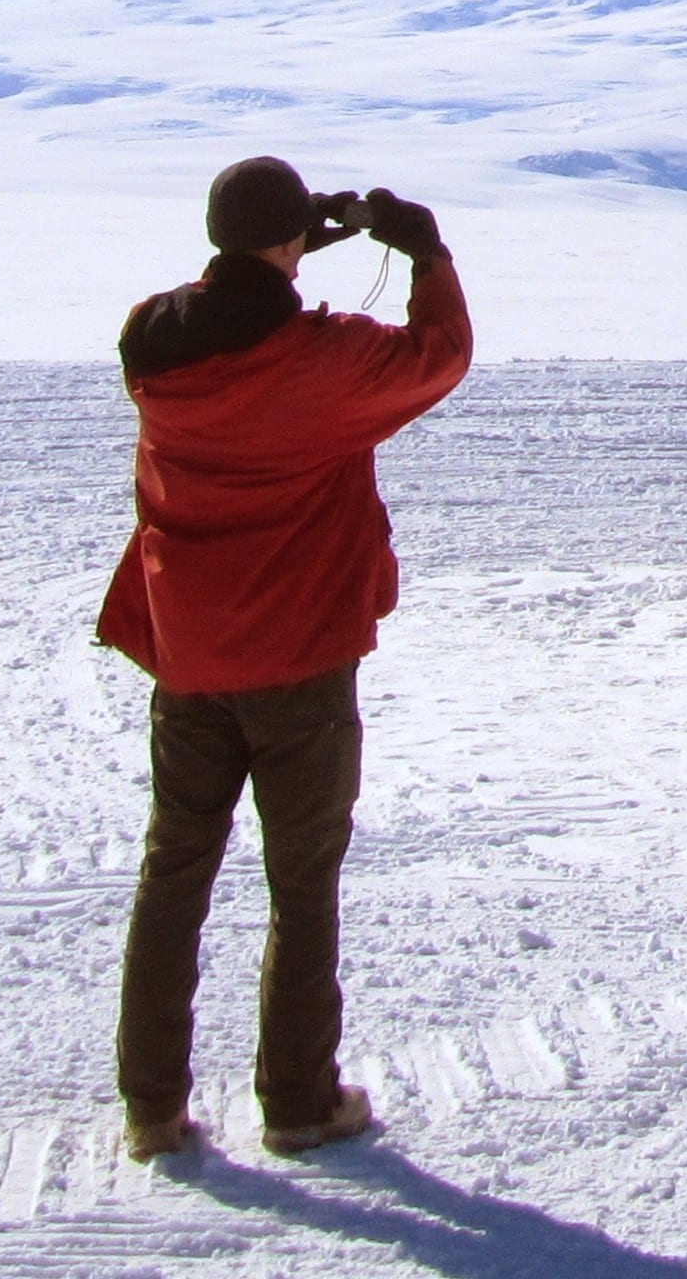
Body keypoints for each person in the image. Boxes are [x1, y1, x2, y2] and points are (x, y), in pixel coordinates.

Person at [98, 156, 470, 1163]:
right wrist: (423, 252)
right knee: (301, 881)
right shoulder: (322, 361)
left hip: (187, 654)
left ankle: (151, 1108)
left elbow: (229, 305)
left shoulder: (152, 341)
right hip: (299, 658)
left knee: (174, 868)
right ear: (292, 238)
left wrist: (279, 253)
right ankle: (300, 1102)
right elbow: (438, 355)